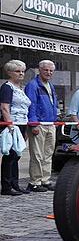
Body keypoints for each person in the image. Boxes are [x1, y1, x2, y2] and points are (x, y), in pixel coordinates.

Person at [24, 60, 57, 192]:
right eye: (46, 70)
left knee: (48, 153)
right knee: (37, 154)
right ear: (39, 70)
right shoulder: (33, 85)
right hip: (39, 124)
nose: (48, 73)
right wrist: (33, 124)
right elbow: (31, 105)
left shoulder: (50, 85)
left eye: (51, 71)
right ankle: (35, 181)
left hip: (50, 123)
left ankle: (45, 180)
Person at [0, 60, 31, 196]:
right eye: (17, 71)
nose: (21, 74)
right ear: (9, 73)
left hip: (22, 123)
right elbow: (4, 107)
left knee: (17, 155)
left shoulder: (20, 88)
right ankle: (6, 186)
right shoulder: (7, 87)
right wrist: (10, 125)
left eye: (22, 71)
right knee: (10, 155)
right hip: (13, 124)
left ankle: (15, 183)